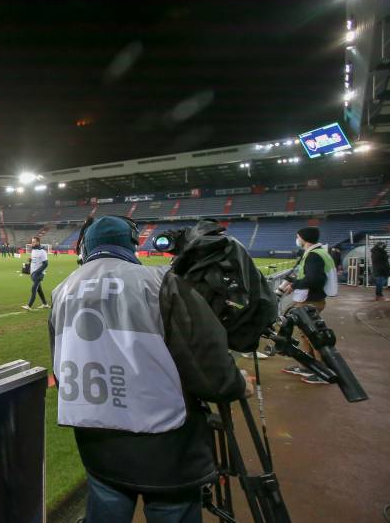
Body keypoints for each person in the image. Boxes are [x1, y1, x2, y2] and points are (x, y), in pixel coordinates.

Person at [48, 216, 251, 523]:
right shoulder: (159, 282)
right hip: (164, 441)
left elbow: (61, 364)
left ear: (85, 246)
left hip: (94, 438)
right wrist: (237, 384)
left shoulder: (61, 290)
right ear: (132, 243)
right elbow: (207, 366)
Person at [279, 226, 338, 385]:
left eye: (297, 236)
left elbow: (314, 279)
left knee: (313, 335)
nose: (297, 239)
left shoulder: (313, 256)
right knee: (306, 334)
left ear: (303, 238)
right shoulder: (319, 252)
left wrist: (295, 284)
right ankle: (310, 365)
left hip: (309, 300)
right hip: (312, 299)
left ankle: (324, 371)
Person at [22, 236, 49, 310]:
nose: (32, 243)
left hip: (39, 274)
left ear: (38, 242)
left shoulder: (42, 251)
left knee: (34, 289)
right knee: (39, 290)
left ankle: (29, 306)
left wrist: (37, 272)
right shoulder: (33, 250)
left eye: (33, 242)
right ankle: (45, 304)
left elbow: (46, 264)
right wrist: (30, 260)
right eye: (32, 242)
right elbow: (34, 261)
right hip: (32, 273)